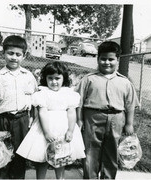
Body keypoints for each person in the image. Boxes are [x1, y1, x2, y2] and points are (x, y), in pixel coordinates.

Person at [75, 41, 139, 179]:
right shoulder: (88, 79)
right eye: (103, 59)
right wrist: (79, 120)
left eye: (111, 59)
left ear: (118, 59)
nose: (107, 62)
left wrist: (129, 124)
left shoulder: (125, 82)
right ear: (98, 59)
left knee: (111, 153)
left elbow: (130, 105)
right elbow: (78, 103)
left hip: (116, 120)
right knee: (91, 152)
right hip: (92, 118)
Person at [16, 61, 85, 179]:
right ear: (45, 78)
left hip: (63, 127)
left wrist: (70, 130)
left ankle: (60, 178)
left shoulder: (69, 93)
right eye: (50, 78)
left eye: (57, 78)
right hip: (45, 127)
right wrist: (47, 132)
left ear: (64, 78)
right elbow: (42, 112)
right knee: (42, 156)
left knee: (61, 155)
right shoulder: (42, 93)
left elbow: (72, 112)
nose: (54, 82)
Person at [0, 35, 38, 179]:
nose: (14, 57)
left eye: (18, 54)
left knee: (20, 156)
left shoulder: (28, 76)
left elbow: (34, 99)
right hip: (3, 120)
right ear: (4, 53)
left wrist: (32, 119)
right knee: (0, 155)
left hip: (22, 120)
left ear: (24, 56)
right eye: (10, 53)